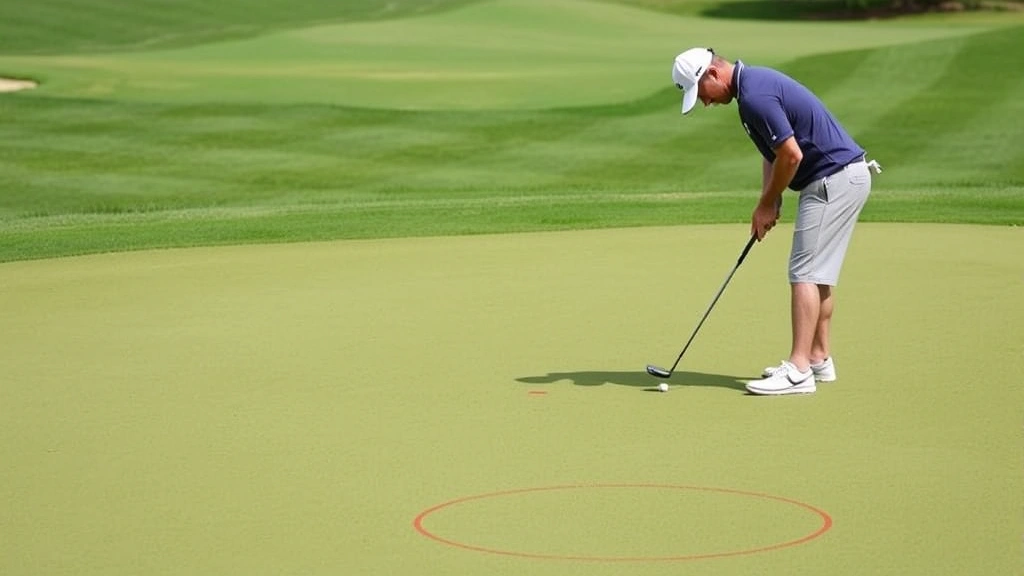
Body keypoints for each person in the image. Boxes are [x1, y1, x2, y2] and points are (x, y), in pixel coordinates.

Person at [670, 47, 880, 396]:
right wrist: (771, 197)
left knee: (804, 273)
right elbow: (773, 153)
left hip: (833, 179)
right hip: (844, 177)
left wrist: (767, 204)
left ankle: (798, 370)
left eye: (702, 94)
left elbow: (791, 155)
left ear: (712, 74)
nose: (705, 103)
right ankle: (818, 358)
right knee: (820, 274)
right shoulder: (750, 89)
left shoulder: (754, 96)